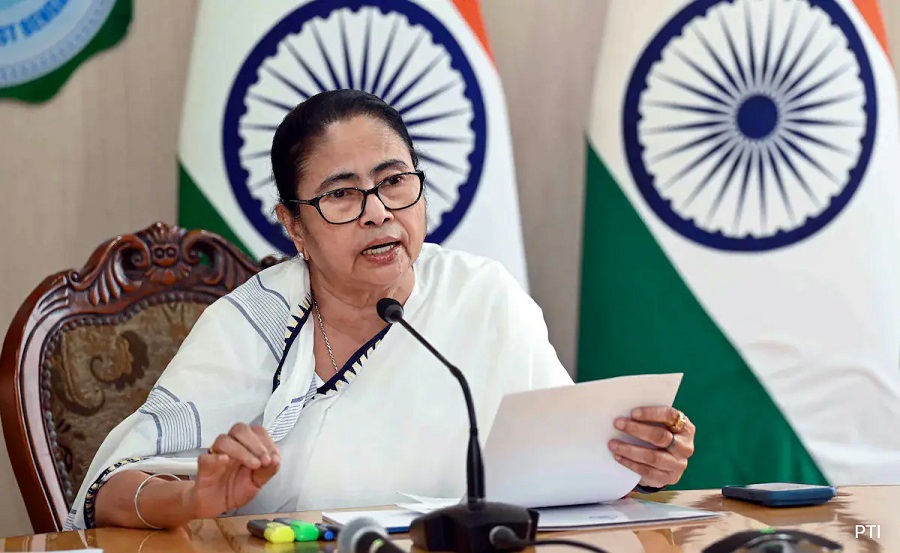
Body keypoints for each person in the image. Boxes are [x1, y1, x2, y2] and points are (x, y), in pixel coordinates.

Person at [69, 90, 696, 531]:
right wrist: (194, 500)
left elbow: (567, 468)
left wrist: (639, 463)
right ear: (293, 224)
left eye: (394, 182)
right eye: (341, 194)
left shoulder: (482, 297)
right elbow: (111, 492)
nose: (377, 212)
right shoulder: (252, 324)